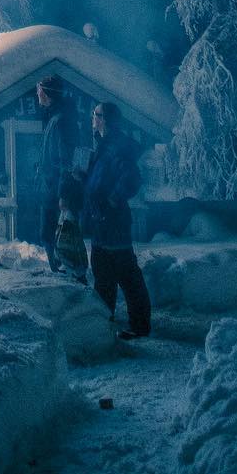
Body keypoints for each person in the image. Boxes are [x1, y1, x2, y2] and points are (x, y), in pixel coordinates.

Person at [81, 100, 151, 339]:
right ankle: (104, 322)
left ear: (106, 120)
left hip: (113, 220)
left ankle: (139, 324)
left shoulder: (117, 147)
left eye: (97, 114)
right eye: (94, 113)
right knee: (103, 273)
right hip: (101, 219)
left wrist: (112, 200)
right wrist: (85, 179)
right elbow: (101, 178)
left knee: (125, 274)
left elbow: (131, 178)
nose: (93, 117)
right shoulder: (103, 145)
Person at [36, 75, 78, 272]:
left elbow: (65, 161)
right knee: (50, 232)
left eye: (39, 91)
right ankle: (59, 268)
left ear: (44, 93)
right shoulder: (55, 117)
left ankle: (62, 270)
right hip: (50, 186)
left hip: (55, 189)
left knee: (54, 233)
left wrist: (63, 193)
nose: (38, 94)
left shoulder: (60, 121)